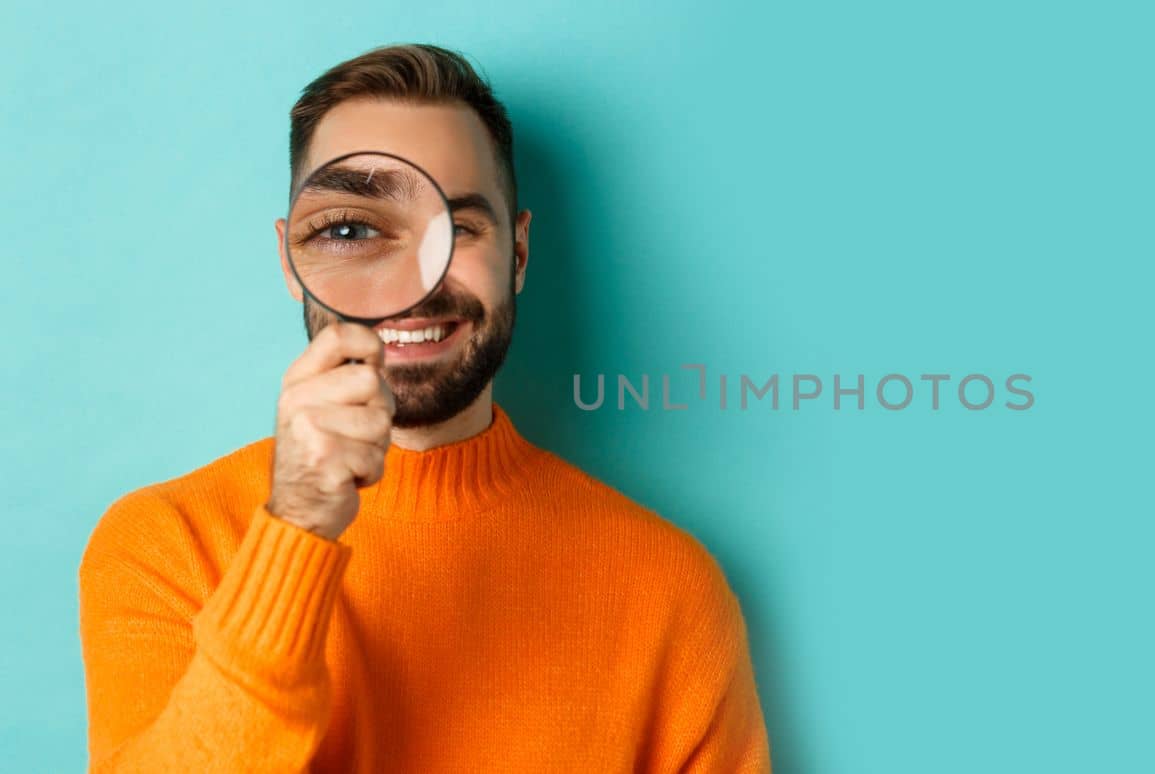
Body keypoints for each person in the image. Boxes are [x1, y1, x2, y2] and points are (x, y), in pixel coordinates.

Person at [76, 43, 771, 773]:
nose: (412, 284)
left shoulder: (669, 587)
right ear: (290, 263)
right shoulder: (166, 546)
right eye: (349, 230)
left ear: (520, 254)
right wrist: (296, 533)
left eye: (460, 228)